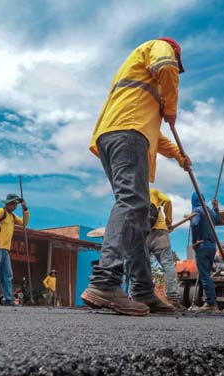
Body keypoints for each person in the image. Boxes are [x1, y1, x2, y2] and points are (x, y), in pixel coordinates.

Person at [80, 37, 192, 316]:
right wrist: (171, 108)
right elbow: (166, 66)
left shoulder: (140, 97)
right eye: (179, 68)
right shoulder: (159, 48)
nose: (176, 72)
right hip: (128, 136)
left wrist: (180, 157)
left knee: (138, 214)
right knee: (132, 203)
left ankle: (142, 290)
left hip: (118, 136)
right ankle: (105, 282)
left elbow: (158, 138)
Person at [0, 193, 28, 306]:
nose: (15, 206)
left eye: (16, 204)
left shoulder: (12, 217)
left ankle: (9, 300)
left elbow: (24, 223)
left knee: (7, 275)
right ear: (7, 203)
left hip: (4, 250)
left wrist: (25, 209)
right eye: (13, 203)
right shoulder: (0, 212)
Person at [147, 188, 181, 307]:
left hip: (142, 234)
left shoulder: (132, 194)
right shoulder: (152, 191)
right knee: (168, 264)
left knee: (141, 265)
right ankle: (173, 297)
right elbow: (167, 200)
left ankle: (140, 296)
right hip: (160, 231)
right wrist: (168, 222)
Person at [189, 192, 220, 312]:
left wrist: (194, 241)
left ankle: (211, 303)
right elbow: (218, 221)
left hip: (202, 246)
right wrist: (216, 208)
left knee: (205, 276)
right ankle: (211, 301)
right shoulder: (211, 212)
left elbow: (195, 224)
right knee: (207, 275)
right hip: (212, 247)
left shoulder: (197, 210)